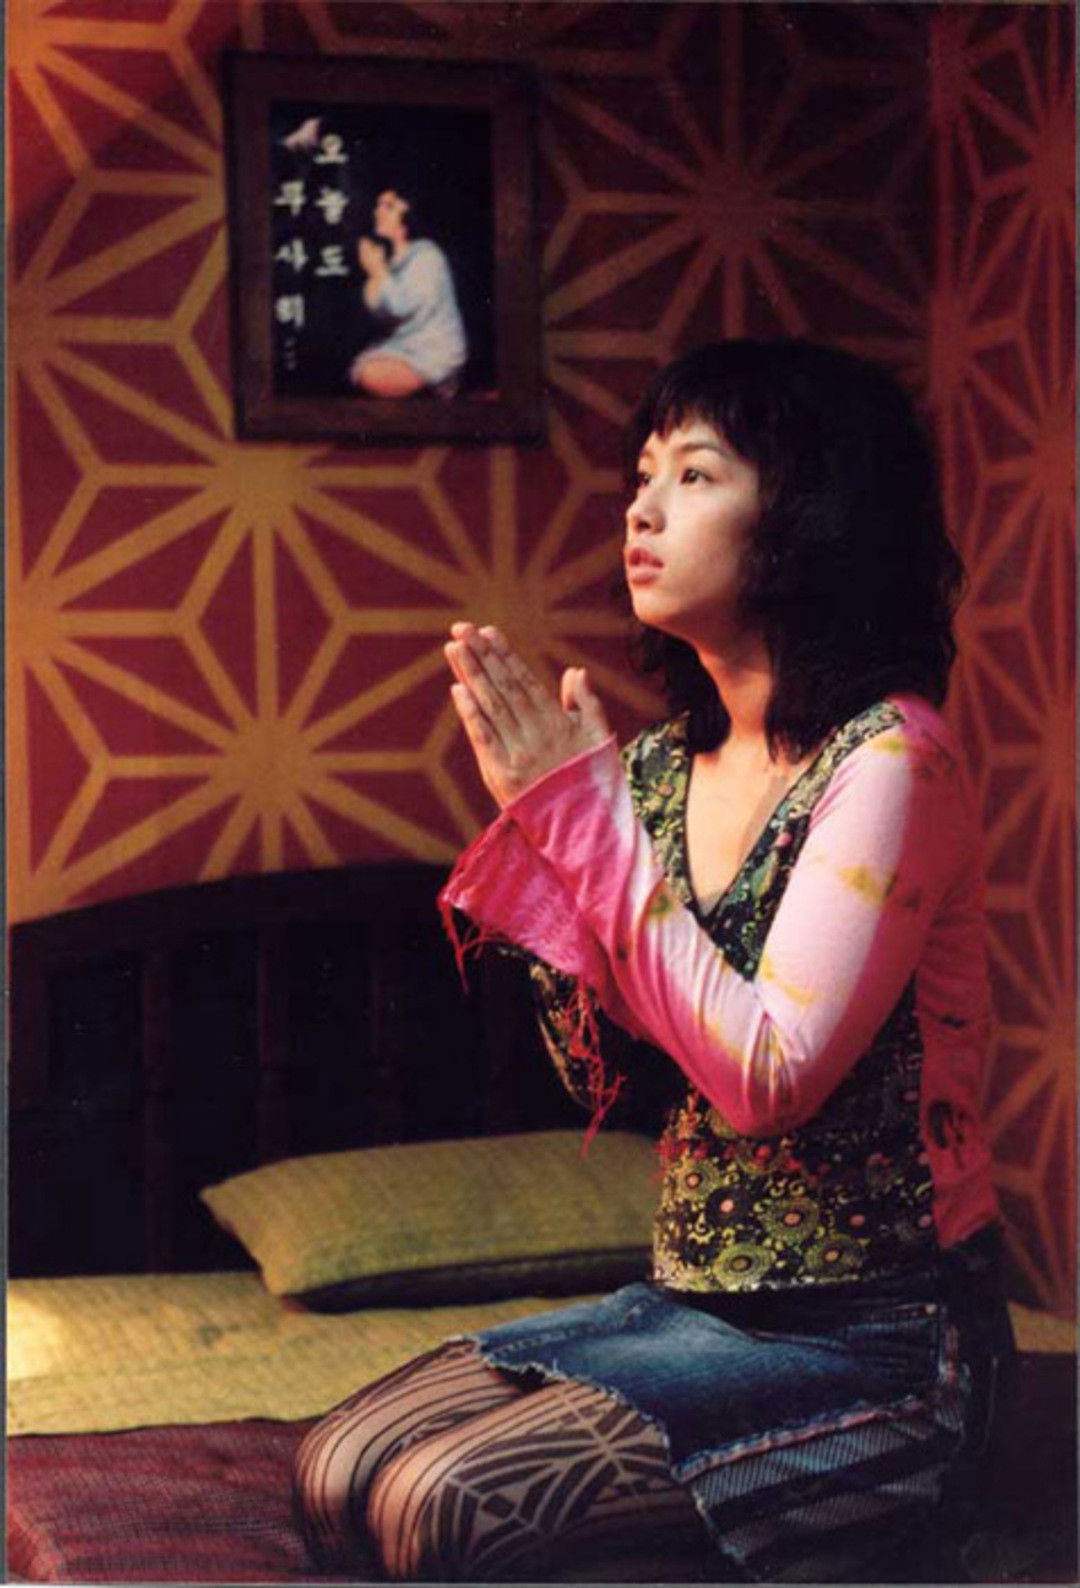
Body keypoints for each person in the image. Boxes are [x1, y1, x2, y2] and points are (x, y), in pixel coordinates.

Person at [294, 340, 1012, 1583]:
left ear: (810, 513)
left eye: (694, 475)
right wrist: (553, 830)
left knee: (441, 1504)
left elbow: (768, 1079)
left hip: (880, 1337)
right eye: (641, 476)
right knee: (338, 1467)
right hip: (689, 1308)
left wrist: (587, 831)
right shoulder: (659, 772)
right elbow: (604, 1077)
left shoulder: (892, 759)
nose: (640, 508)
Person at [349, 187, 467, 399]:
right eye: (378, 205)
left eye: (388, 206)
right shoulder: (394, 261)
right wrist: (376, 275)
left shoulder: (427, 255)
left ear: (408, 214)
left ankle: (442, 385)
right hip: (404, 345)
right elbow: (381, 315)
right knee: (360, 366)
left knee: (370, 374)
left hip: (433, 351)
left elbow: (401, 306)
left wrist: (378, 271)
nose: (378, 212)